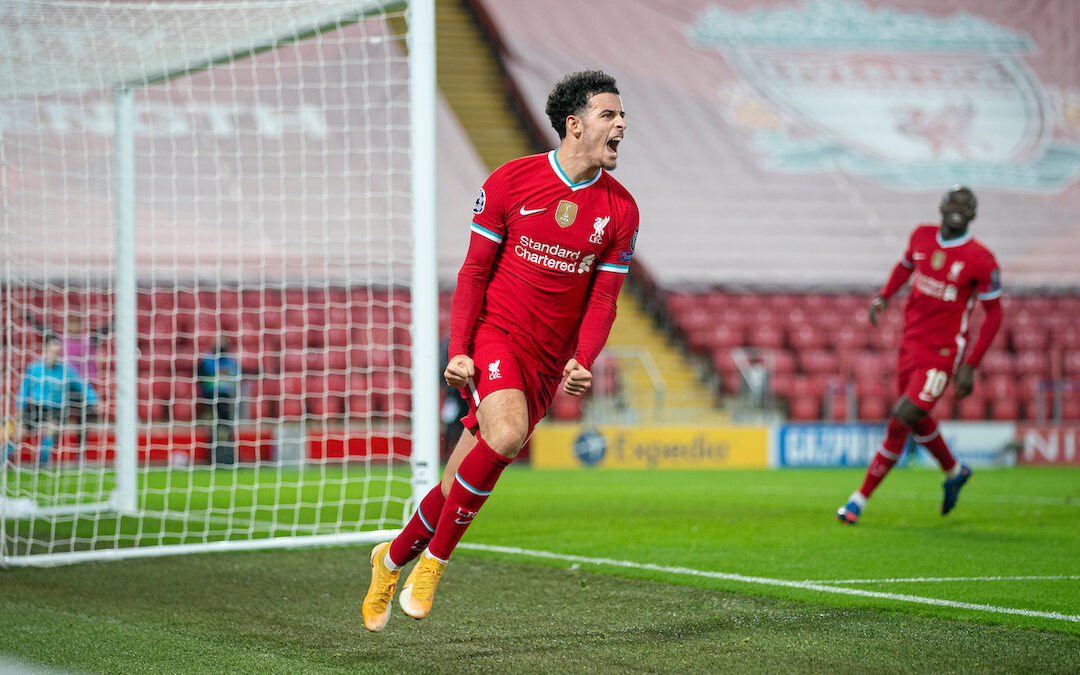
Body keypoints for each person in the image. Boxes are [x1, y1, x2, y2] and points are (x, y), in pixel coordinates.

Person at [362, 70, 639, 631]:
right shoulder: (512, 181)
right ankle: (434, 564)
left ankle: (389, 560)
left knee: (451, 486)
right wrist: (460, 349)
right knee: (508, 435)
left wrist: (582, 360)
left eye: (622, 115)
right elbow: (473, 272)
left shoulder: (622, 211)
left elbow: (604, 300)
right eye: (610, 115)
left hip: (545, 361)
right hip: (497, 336)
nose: (622, 125)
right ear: (575, 124)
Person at [837, 186, 1003, 525]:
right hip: (909, 346)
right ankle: (954, 471)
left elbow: (995, 314)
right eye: (953, 202)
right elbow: (904, 266)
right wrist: (884, 295)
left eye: (966, 205)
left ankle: (859, 499)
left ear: (974, 215)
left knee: (901, 418)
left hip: (942, 354)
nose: (958, 208)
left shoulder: (981, 259)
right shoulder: (921, 236)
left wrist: (970, 365)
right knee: (915, 417)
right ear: (941, 206)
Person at [7, 334, 98, 466]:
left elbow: (82, 386)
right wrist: (20, 406)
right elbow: (24, 389)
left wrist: (93, 400)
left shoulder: (66, 370)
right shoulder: (34, 368)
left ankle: (42, 463)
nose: (54, 355)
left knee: (51, 429)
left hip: (57, 409)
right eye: (52, 351)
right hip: (37, 407)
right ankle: (4, 460)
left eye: (57, 352)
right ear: (45, 350)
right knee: (19, 433)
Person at [196, 336, 241, 465]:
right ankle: (212, 457)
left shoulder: (230, 361)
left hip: (226, 399)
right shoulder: (206, 360)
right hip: (210, 399)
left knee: (226, 427)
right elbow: (202, 378)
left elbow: (236, 375)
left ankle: (228, 456)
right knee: (214, 427)